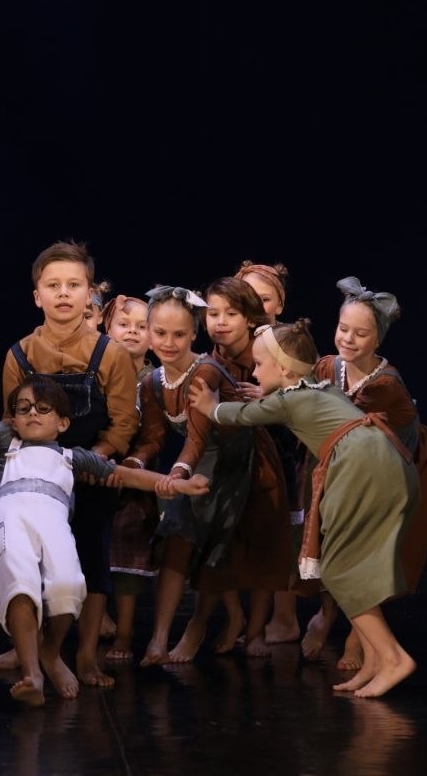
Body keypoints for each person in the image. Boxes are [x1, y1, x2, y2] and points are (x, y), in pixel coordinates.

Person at [0, 368, 209, 705]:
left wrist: (177, 485)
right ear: (14, 420)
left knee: (68, 587)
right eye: (23, 408)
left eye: (43, 408)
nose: (32, 413)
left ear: (62, 423)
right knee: (20, 586)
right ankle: (32, 673)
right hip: (12, 523)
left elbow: (124, 475)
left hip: (54, 527)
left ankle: (50, 652)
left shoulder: (73, 458)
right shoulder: (5, 443)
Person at [189, 319, 420, 698]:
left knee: (340, 570)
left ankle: (393, 658)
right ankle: (375, 661)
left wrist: (211, 407)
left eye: (259, 365)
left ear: (284, 370)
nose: (255, 372)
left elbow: (243, 416)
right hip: (388, 461)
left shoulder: (290, 400)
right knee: (348, 568)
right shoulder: (321, 387)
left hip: (361, 466)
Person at [0, 240, 139, 688]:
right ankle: (31, 646)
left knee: (92, 563)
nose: (63, 293)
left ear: (89, 294)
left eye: (73, 285)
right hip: (38, 476)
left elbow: (124, 422)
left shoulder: (110, 354)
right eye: (53, 285)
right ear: (36, 295)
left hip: (91, 471)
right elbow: (11, 419)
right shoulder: (19, 354)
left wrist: (96, 459)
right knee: (30, 564)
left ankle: (87, 655)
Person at [138, 279, 289, 665]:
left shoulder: (211, 368)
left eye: (178, 334)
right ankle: (160, 638)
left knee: (239, 543)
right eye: (159, 333)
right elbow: (155, 436)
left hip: (243, 458)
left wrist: (177, 474)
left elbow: (197, 437)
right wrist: (136, 463)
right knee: (179, 537)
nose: (168, 342)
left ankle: (219, 625)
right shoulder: (154, 381)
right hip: (203, 462)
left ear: (191, 334)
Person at [301, 277, 427, 670]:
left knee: (366, 549)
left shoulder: (384, 384)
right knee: (333, 540)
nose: (348, 339)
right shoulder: (328, 365)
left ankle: (356, 634)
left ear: (378, 339)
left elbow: (334, 416)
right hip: (345, 463)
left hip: (391, 470)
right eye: (343, 328)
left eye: (360, 334)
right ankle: (327, 613)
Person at [233, 260, 304, 647]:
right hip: (244, 450)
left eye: (264, 299)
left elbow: (305, 391)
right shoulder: (234, 340)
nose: (257, 307)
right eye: (248, 298)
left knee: (283, 535)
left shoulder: (288, 341)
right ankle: (242, 617)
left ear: (280, 303)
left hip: (283, 448)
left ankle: (285, 617)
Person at [99, 293, 158, 662]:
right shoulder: (98, 371)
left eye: (142, 326)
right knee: (90, 543)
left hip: (136, 476)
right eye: (124, 324)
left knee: (128, 545)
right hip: (98, 469)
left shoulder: (153, 380)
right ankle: (95, 616)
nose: (133, 332)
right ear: (108, 329)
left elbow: (154, 434)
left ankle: (124, 632)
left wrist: (137, 460)